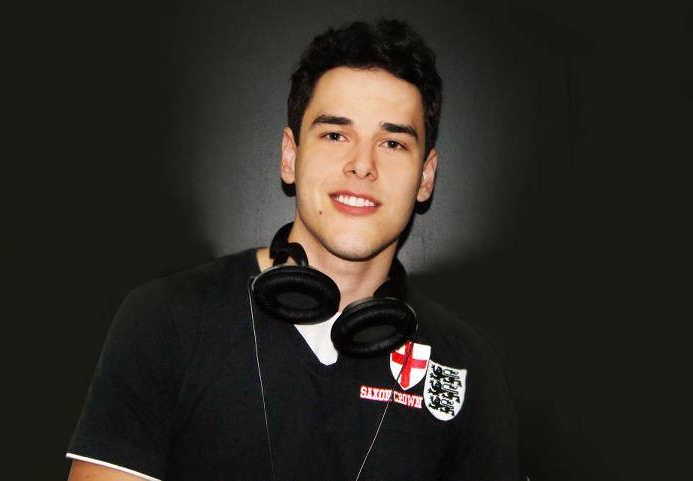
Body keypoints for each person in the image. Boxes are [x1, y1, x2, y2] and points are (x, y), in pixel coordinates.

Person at [66, 19, 518, 481]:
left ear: (425, 176)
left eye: (392, 143)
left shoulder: (466, 364)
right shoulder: (167, 318)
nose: (362, 165)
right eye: (336, 135)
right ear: (290, 155)